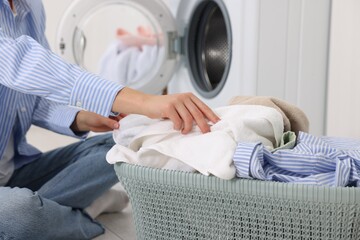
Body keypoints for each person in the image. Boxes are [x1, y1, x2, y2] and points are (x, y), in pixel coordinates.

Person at [0, 0, 219, 239]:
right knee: (19, 214)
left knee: (125, 143)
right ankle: (81, 210)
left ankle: (48, 211)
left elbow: (31, 95)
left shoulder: (29, 6)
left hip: (12, 171)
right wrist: (143, 101)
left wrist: (79, 118)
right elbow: (19, 64)